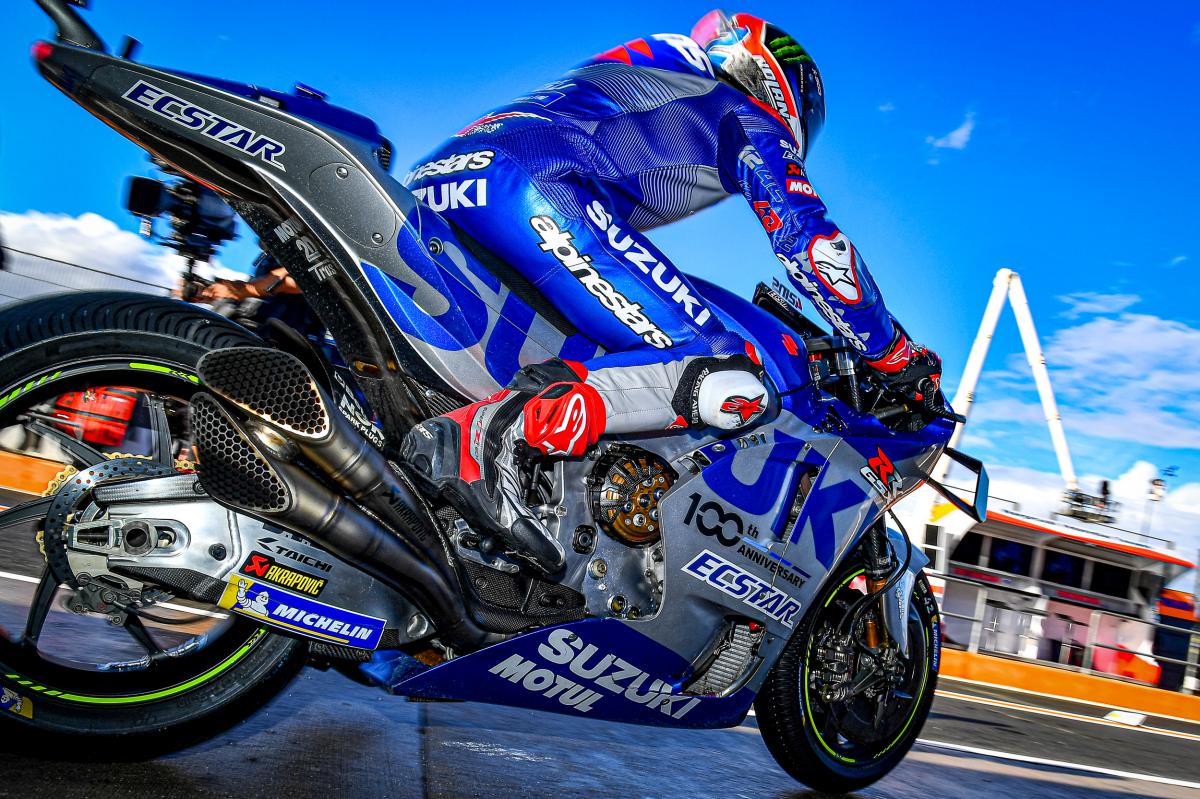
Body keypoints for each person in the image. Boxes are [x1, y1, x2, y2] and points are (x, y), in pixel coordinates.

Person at [401, 10, 942, 576]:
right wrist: (894, 354)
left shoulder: (664, 79)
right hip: (537, 187)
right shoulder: (742, 112)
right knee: (731, 373)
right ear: (771, 73)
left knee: (627, 355)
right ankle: (488, 443)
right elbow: (814, 245)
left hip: (444, 181)